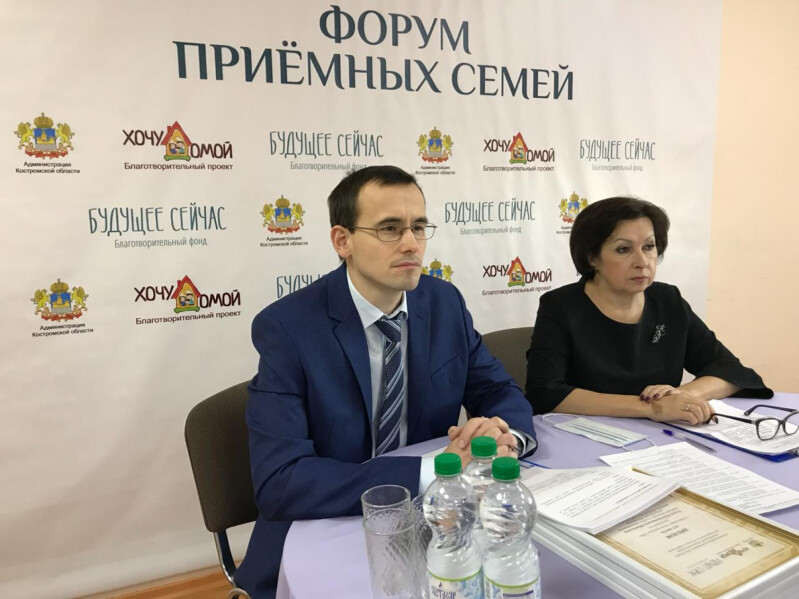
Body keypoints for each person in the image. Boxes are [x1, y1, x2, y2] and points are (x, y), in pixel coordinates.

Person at [236, 165, 537, 598]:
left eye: (419, 227)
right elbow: (280, 480)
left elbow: (496, 390)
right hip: (328, 527)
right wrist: (435, 470)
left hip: (441, 525)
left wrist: (505, 438)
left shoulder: (444, 302)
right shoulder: (289, 328)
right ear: (343, 241)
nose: (411, 243)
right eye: (390, 229)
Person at [525, 196, 772, 423]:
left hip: (664, 438)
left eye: (649, 247)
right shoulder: (561, 306)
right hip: (588, 436)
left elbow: (732, 372)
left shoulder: (668, 300)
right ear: (593, 258)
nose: (642, 262)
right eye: (623, 249)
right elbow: (544, 392)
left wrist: (681, 395)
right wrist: (651, 408)